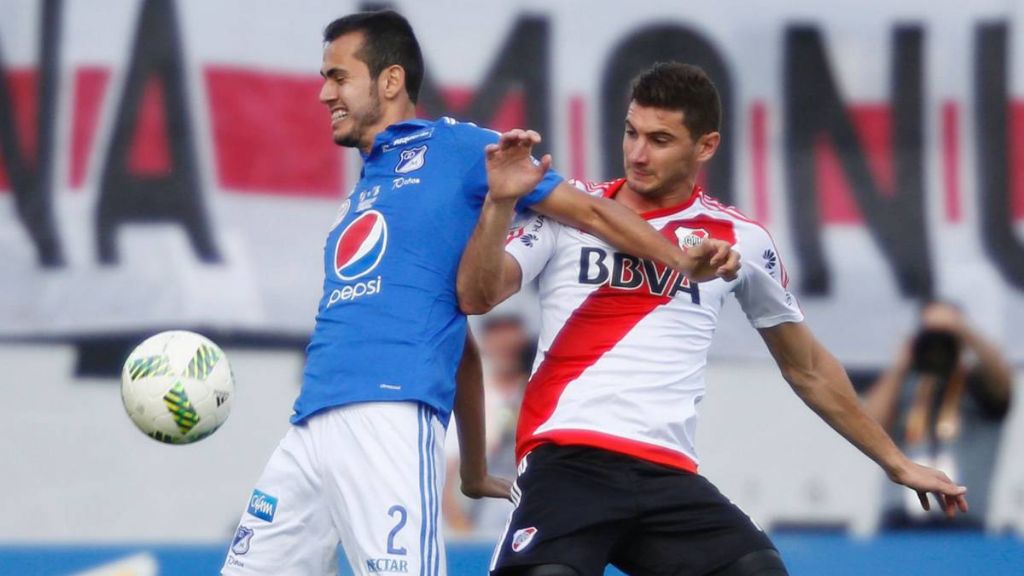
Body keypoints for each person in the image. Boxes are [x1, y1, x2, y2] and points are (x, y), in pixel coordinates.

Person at [221, 11, 736, 576]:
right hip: (309, 423)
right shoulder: (365, 187)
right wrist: (471, 469)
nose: (324, 93)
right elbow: (456, 336)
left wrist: (679, 259)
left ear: (390, 81)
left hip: (388, 417)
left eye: (338, 77)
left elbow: (591, 212)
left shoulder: (462, 147)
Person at [456, 62, 970, 576]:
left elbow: (808, 367)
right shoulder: (569, 210)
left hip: (665, 472)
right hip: (565, 460)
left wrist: (896, 462)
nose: (637, 154)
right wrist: (500, 203)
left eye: (660, 140)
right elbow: (479, 296)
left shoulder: (741, 239)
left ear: (706, 146)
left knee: (759, 571)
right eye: (632, 133)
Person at [864, 301, 1013, 530]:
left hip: (963, 520)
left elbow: (1002, 383)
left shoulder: (978, 386)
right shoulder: (903, 387)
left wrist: (963, 331)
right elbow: (868, 424)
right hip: (899, 520)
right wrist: (903, 360)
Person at [444, 315, 534, 537]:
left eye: (511, 330)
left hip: (531, 511)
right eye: (497, 332)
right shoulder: (465, 397)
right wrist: (465, 535)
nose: (505, 341)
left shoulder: (538, 392)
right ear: (484, 340)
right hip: (479, 520)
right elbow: (447, 476)